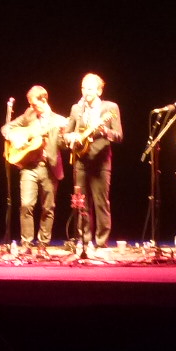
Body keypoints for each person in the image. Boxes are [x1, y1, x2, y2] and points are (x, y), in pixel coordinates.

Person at [1, 85, 65, 257]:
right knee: (26, 204)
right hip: (29, 167)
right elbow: (6, 128)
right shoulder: (29, 115)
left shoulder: (58, 121)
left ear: (44, 100)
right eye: (29, 104)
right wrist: (16, 138)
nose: (31, 107)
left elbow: (65, 143)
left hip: (49, 167)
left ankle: (43, 244)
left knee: (48, 207)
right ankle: (27, 243)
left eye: (34, 104)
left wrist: (65, 136)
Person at [63, 72, 123, 255]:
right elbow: (66, 133)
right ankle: (84, 239)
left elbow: (119, 136)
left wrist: (105, 130)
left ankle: (101, 242)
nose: (85, 91)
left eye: (89, 88)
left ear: (99, 90)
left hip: (101, 162)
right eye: (83, 87)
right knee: (81, 203)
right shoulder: (76, 108)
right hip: (80, 161)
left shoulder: (110, 108)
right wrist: (71, 137)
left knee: (100, 202)